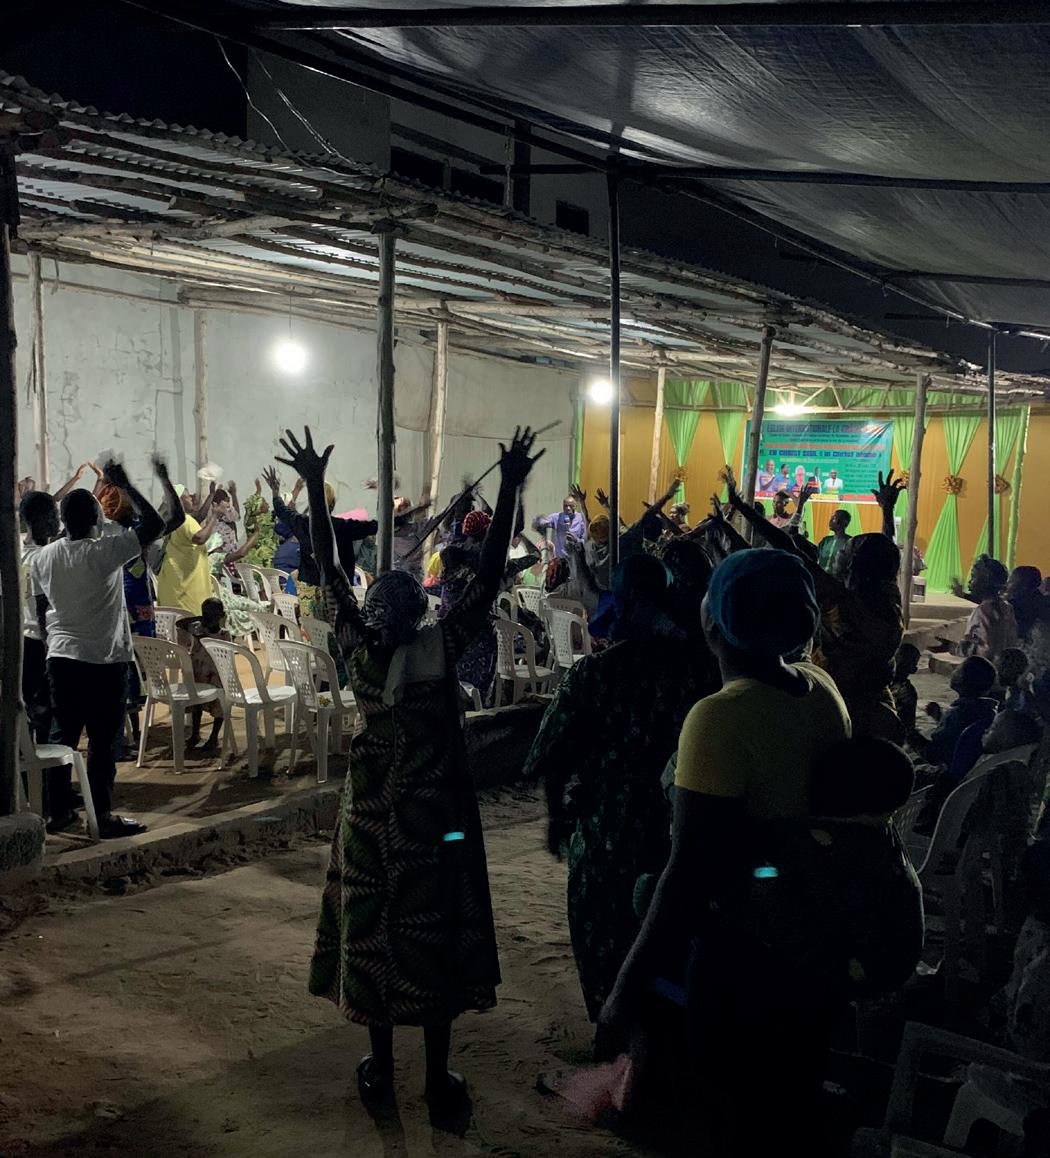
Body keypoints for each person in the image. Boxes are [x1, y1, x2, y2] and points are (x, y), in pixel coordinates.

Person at [294, 424, 544, 1124]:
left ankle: (381, 1067)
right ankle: (437, 1078)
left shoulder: (358, 650)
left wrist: (313, 485)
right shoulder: (444, 648)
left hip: (370, 822)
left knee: (374, 934)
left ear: (374, 614)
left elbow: (328, 567)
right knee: (438, 935)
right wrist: (509, 485)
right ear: (422, 613)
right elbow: (488, 578)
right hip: (439, 826)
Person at [599, 549, 851, 1155]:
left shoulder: (719, 719)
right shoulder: (820, 688)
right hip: (814, 931)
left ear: (714, 620)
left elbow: (689, 872)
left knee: (731, 1114)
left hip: (746, 954)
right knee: (784, 1108)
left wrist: (624, 991)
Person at [527, 551, 720, 1023]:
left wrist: (555, 816)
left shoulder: (594, 674)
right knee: (667, 938)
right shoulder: (698, 671)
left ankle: (613, 1031)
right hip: (679, 826)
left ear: (625, 602)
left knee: (602, 936)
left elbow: (554, 755)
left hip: (607, 830)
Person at [32, 458, 167, 838]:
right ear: (96, 520)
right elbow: (155, 525)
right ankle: (102, 815)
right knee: (103, 742)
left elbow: (41, 608)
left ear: (63, 522)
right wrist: (126, 485)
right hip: (104, 660)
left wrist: (53, 642)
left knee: (62, 739)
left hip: (61, 658)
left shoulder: (44, 557)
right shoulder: (103, 552)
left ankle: (59, 812)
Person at [731, 471, 905, 741]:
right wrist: (887, 511)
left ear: (854, 564)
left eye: (847, 551)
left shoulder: (842, 603)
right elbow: (885, 553)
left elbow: (787, 546)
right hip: (877, 699)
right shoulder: (888, 599)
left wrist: (742, 508)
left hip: (836, 699)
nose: (841, 554)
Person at [20, 490, 61, 742]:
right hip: (42, 642)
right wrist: (49, 650)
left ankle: (31, 760)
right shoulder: (44, 557)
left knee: (33, 709)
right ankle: (44, 761)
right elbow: (41, 608)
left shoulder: (19, 553)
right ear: (41, 519)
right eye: (54, 515)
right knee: (45, 712)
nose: (58, 520)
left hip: (25, 640)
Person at [921, 655, 998, 768]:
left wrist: (911, 733)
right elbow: (958, 733)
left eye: (958, 669)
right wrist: (939, 717)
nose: (953, 672)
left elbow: (934, 755)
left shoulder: (957, 714)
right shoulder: (987, 710)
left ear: (962, 678)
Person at [176, 598, 230, 750]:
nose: (209, 619)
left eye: (213, 615)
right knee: (196, 704)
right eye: (206, 615)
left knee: (219, 707)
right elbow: (180, 624)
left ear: (221, 616)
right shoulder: (197, 628)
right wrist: (200, 620)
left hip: (216, 674)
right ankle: (195, 733)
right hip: (198, 671)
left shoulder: (224, 634)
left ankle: (214, 736)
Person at [156, 485, 218, 615]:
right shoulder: (185, 520)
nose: (191, 498)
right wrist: (214, 517)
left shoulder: (173, 520)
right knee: (190, 621)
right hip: (186, 588)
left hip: (173, 584)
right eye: (187, 496)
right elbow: (200, 538)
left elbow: (199, 517)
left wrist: (211, 494)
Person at [956, 556, 1020, 664]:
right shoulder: (1007, 607)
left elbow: (987, 650)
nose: (970, 581)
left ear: (985, 581)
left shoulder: (983, 611)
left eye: (973, 577)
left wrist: (952, 647)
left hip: (986, 667)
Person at [534, 495, 586, 560]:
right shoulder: (557, 517)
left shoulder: (580, 518)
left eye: (570, 506)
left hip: (577, 559)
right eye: (565, 506)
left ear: (575, 506)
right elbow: (543, 521)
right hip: (562, 560)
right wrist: (541, 522)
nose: (568, 508)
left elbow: (585, 541)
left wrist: (576, 540)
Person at [890, 643, 922, 746]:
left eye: (905, 662)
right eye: (898, 658)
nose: (899, 663)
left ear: (913, 670)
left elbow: (907, 727)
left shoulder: (907, 693)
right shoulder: (884, 680)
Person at [1008, 566, 1045, 641]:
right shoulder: (1044, 602)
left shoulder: (1011, 607)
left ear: (1023, 586)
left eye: (1011, 581)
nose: (1007, 584)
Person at [816, 508, 852, 578]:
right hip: (820, 579)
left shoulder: (850, 542)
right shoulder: (825, 540)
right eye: (831, 518)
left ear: (844, 522)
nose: (830, 521)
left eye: (834, 518)